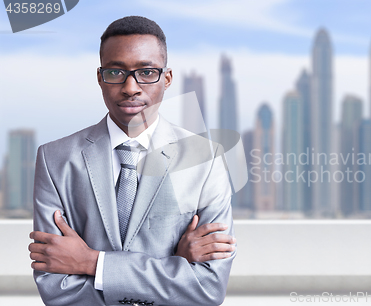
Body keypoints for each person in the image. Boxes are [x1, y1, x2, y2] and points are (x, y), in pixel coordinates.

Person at [28, 16, 236, 306]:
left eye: (147, 72)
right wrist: (175, 265)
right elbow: (57, 289)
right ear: (100, 77)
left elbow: (208, 288)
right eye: (116, 72)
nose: (130, 87)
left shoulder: (207, 159)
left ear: (167, 78)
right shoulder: (55, 159)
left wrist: (92, 263)